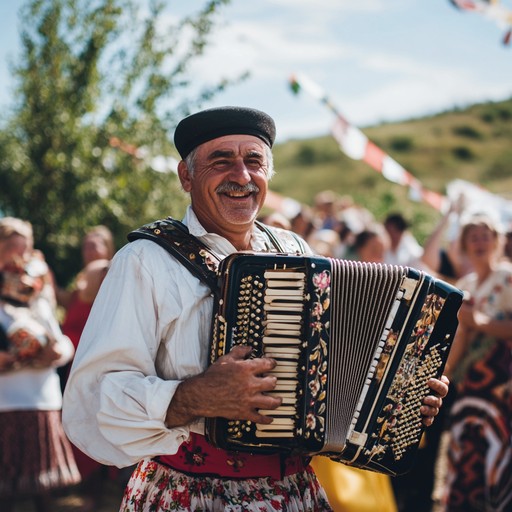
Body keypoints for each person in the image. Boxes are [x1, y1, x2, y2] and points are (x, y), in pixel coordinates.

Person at [62, 106, 449, 512]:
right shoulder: (145, 260)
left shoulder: (296, 250)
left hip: (295, 493)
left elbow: (329, 379)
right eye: (221, 160)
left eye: (253, 161)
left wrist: (395, 397)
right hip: (189, 495)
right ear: (186, 176)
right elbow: (92, 400)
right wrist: (194, 397)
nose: (241, 176)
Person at [0, 217, 80, 512]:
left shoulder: (39, 292)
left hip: (41, 399)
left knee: (42, 494)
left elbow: (62, 342)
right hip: (5, 402)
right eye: (11, 248)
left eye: (26, 249)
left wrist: (57, 352)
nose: (20, 257)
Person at [439, 213, 512, 512]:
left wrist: (477, 321)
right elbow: (459, 336)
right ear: (465, 245)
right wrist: (444, 375)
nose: (480, 242)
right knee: (466, 452)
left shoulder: (507, 277)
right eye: (474, 236)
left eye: (486, 235)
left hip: (501, 385)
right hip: (470, 383)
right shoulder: (466, 283)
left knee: (498, 454)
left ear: (496, 241)